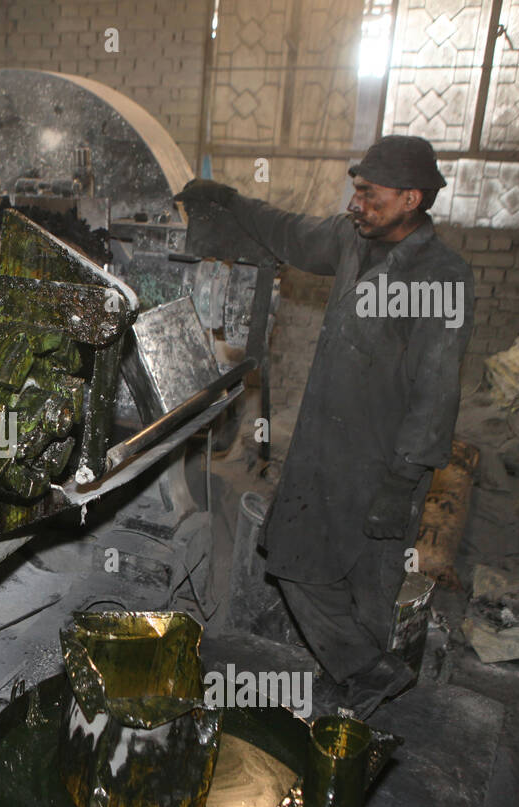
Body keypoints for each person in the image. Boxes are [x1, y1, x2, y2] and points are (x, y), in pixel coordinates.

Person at [177, 135, 474, 718]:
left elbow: (437, 395)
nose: (355, 203)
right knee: (290, 556)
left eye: (369, 193)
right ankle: (367, 669)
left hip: (388, 463)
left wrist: (402, 480)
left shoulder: (443, 278)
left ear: (411, 198)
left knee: (371, 580)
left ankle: (358, 702)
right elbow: (287, 231)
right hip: (322, 448)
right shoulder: (348, 241)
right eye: (355, 190)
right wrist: (233, 201)